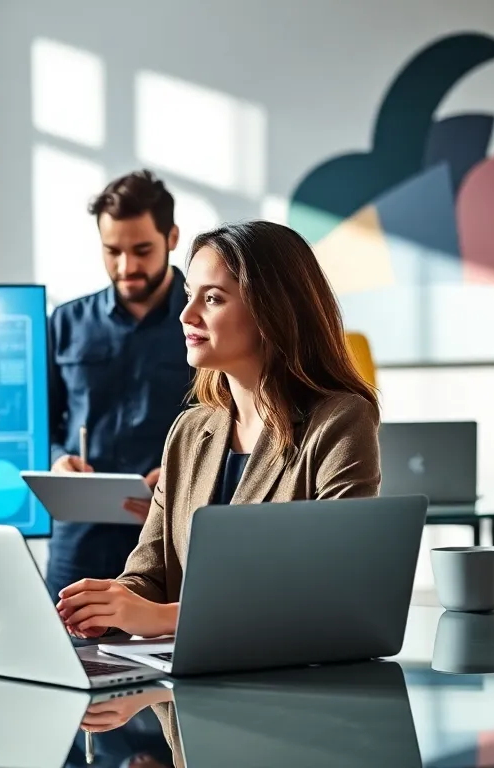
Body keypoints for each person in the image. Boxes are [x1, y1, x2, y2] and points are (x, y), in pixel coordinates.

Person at [56, 220, 381, 639]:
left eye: (212, 299)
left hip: (289, 687)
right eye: (190, 295)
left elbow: (333, 587)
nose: (186, 315)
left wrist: (164, 617)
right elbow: (148, 575)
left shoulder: (339, 421)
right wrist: (108, 604)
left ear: (273, 311)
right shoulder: (190, 431)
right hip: (184, 687)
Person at [44, 170, 194, 602]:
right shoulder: (66, 323)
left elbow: (238, 421)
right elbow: (44, 425)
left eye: (142, 250)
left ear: (172, 237)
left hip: (173, 536)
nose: (126, 267)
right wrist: (58, 463)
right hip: (79, 543)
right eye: (112, 251)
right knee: (72, 660)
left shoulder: (206, 319)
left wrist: (182, 478)